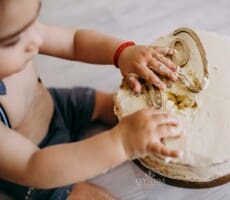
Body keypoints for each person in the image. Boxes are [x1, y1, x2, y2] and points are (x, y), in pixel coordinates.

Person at [0, 0, 185, 199]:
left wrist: (122, 52)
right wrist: (121, 142)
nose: (37, 39)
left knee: (119, 105)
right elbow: (33, 164)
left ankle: (156, 127)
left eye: (34, 21)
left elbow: (74, 41)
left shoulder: (23, 33)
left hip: (56, 106)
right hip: (38, 163)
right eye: (13, 41)